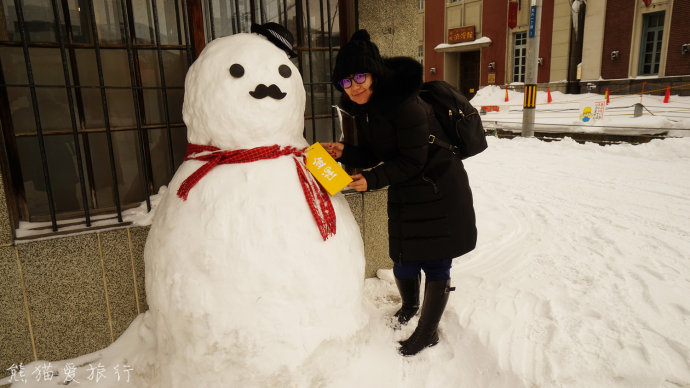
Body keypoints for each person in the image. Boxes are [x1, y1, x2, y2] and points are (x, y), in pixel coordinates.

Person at [322, 30, 477, 356]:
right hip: (408, 189)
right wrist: (345, 151)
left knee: (435, 263)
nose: (355, 86)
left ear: (375, 74)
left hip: (439, 188)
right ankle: (409, 307)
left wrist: (371, 179)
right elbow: (378, 151)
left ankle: (428, 332)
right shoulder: (368, 109)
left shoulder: (405, 106)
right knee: (404, 257)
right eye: (346, 82)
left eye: (360, 76)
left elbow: (412, 159)